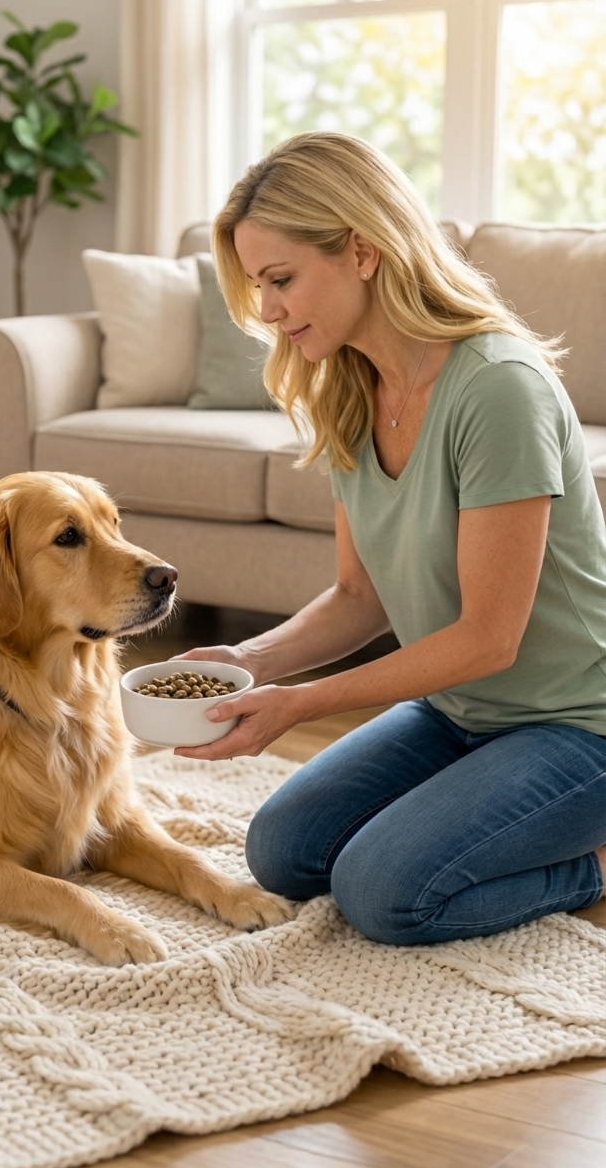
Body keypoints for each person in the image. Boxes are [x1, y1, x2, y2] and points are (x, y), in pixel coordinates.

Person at [176, 132, 606, 946]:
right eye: (259, 286)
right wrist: (250, 664)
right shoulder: (350, 387)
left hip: (580, 724)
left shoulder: (497, 389)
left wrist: (298, 705)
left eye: (281, 280)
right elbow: (358, 596)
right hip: (458, 713)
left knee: (384, 893)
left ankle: (596, 862)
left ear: (362, 251)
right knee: (284, 852)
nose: (267, 311)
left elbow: (487, 639)